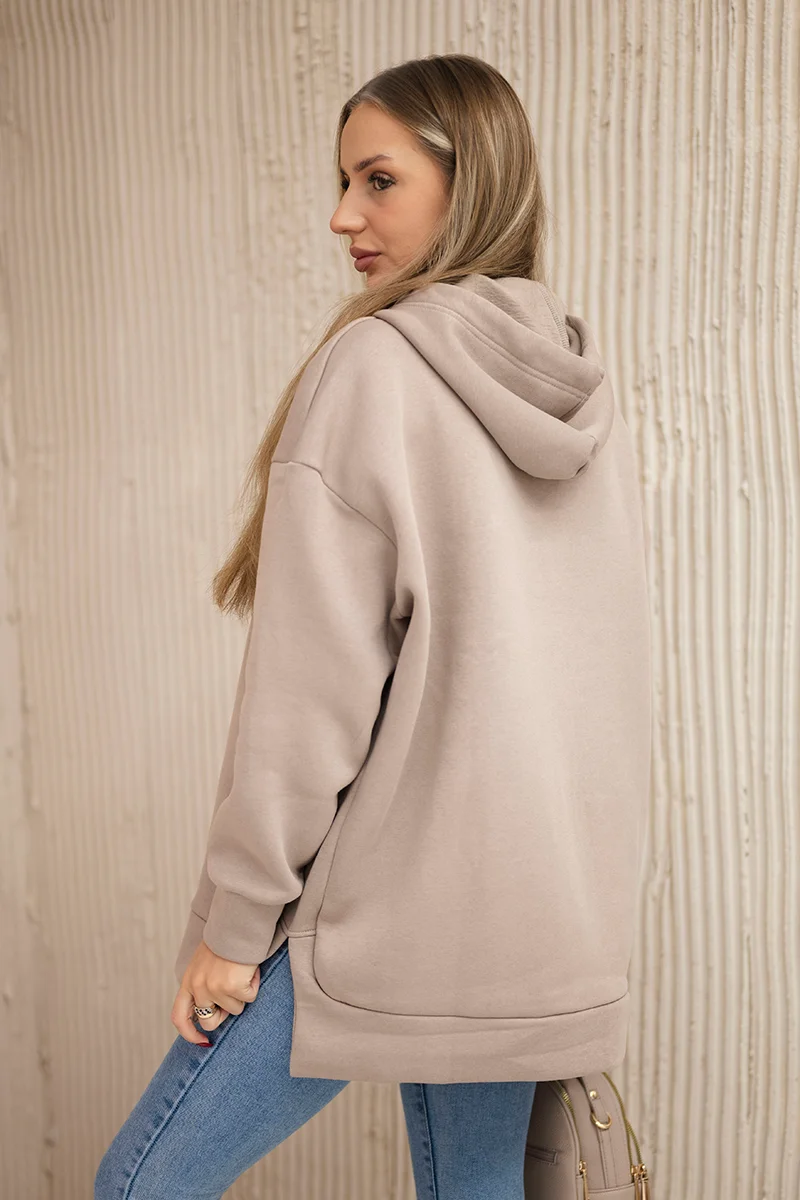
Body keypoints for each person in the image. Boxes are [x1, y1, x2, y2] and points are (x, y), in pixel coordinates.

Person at [95, 52, 651, 1200]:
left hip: (387, 919)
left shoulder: (375, 366)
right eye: (341, 182)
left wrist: (235, 926)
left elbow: (309, 699)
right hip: (539, 929)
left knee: (137, 1187)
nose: (342, 216)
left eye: (377, 180)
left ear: (468, 178)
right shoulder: (577, 384)